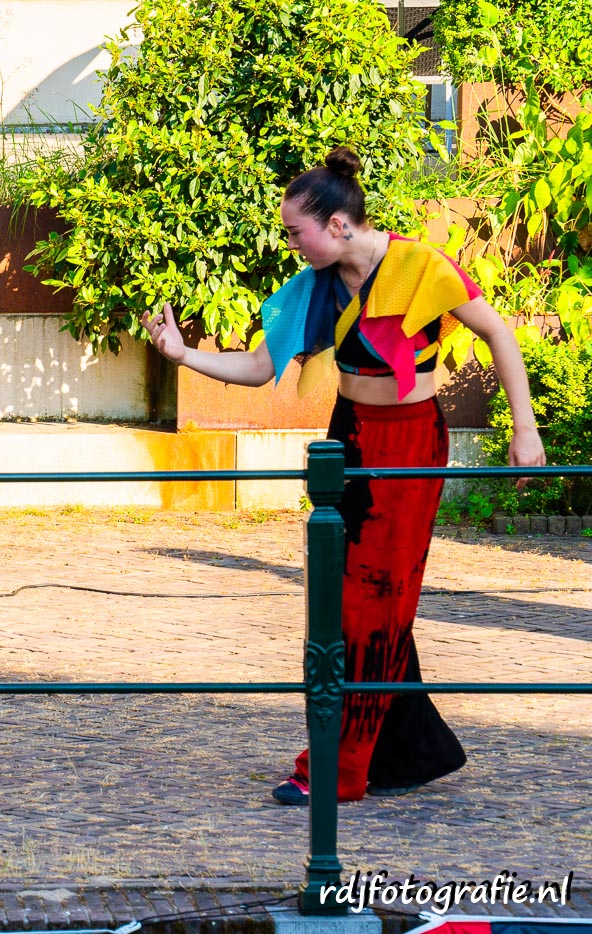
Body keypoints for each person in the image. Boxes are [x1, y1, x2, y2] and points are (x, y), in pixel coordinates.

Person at [142, 146, 546, 804]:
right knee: (348, 599)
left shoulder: (420, 266)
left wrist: (524, 429)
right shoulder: (316, 286)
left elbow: (499, 333)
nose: (290, 244)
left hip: (410, 446)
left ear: (336, 225)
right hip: (348, 438)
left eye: (295, 232)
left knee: (372, 604)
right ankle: (415, 752)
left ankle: (338, 769)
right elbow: (259, 368)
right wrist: (184, 356)